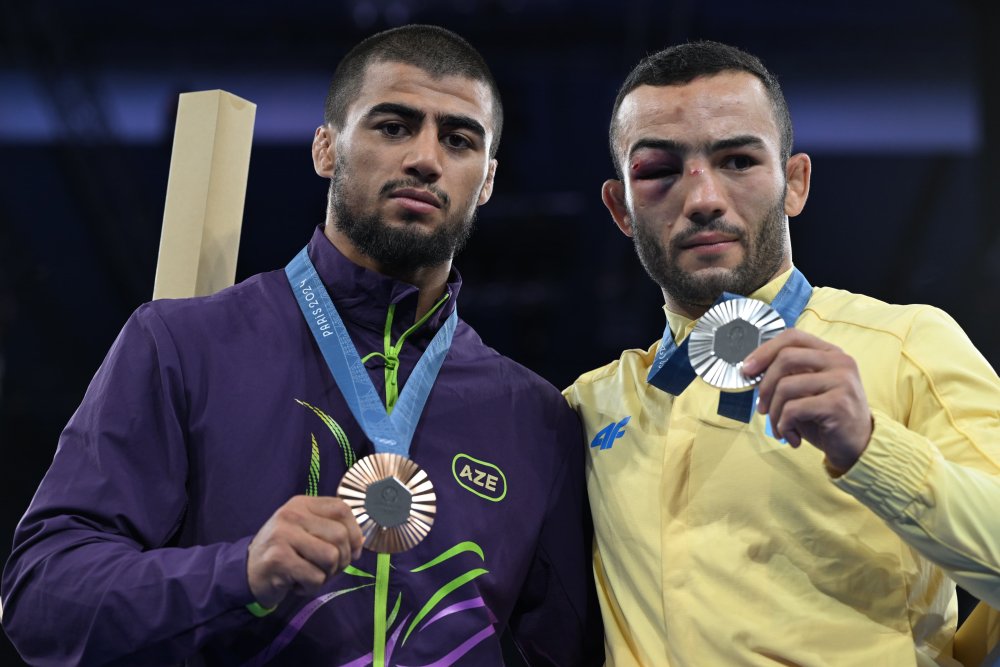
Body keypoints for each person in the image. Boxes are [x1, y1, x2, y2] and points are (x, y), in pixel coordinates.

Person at [2, 25, 601, 666]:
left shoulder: (535, 416)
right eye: (393, 127)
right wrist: (238, 572)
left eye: (458, 140)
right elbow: (41, 596)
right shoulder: (182, 345)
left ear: (486, 181)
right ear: (325, 149)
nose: (426, 158)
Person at [564, 40, 1000, 666]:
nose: (703, 199)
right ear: (620, 209)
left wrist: (871, 446)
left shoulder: (907, 345)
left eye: (738, 160)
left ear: (795, 183)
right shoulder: (586, 408)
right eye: (659, 170)